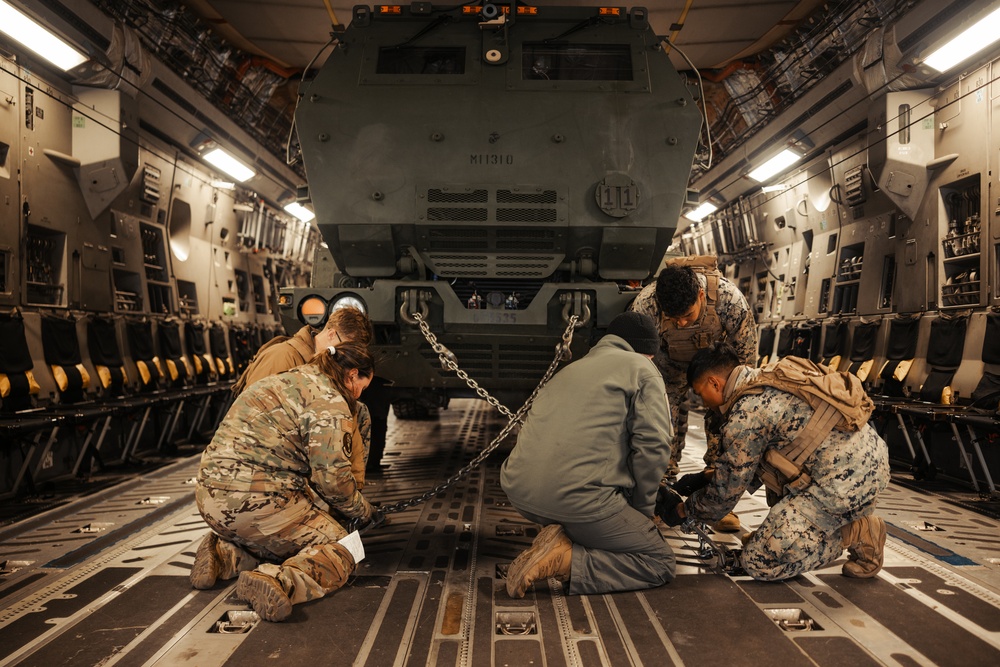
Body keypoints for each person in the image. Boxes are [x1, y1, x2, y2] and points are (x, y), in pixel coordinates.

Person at [657, 343, 890, 581]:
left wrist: (683, 510)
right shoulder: (764, 379)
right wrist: (704, 478)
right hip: (864, 462)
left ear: (715, 383)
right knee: (772, 488)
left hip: (845, 482)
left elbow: (726, 494)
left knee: (759, 561)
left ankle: (857, 531)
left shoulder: (746, 413)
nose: (704, 403)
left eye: (700, 393)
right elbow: (753, 462)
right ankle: (791, 536)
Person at [189, 340, 383, 621]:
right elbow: (334, 483)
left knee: (282, 535)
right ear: (352, 374)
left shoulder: (287, 380)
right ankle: (279, 581)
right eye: (362, 386)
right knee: (344, 547)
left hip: (209, 500)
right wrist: (365, 512)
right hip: (257, 504)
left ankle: (224, 555)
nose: (358, 394)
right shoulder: (330, 402)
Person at [501, 312, 675, 598]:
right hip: (578, 501)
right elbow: (654, 446)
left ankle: (560, 534)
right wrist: (642, 514)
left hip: (522, 495)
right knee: (659, 562)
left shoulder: (570, 370)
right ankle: (566, 559)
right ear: (648, 353)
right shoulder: (642, 370)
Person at [630, 256, 757, 532]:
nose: (682, 323)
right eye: (674, 319)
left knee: (723, 424)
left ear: (701, 295)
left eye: (688, 315)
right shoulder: (646, 305)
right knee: (660, 428)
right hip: (666, 370)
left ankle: (719, 501)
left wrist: (728, 405)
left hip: (712, 369)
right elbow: (635, 364)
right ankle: (658, 496)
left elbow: (745, 369)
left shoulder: (729, 301)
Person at [233, 307, 386, 483]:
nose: (346, 354)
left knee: (358, 411)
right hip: (265, 458)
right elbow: (250, 416)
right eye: (344, 346)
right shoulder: (282, 356)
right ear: (330, 334)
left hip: (299, 441)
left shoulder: (329, 365)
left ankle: (346, 491)